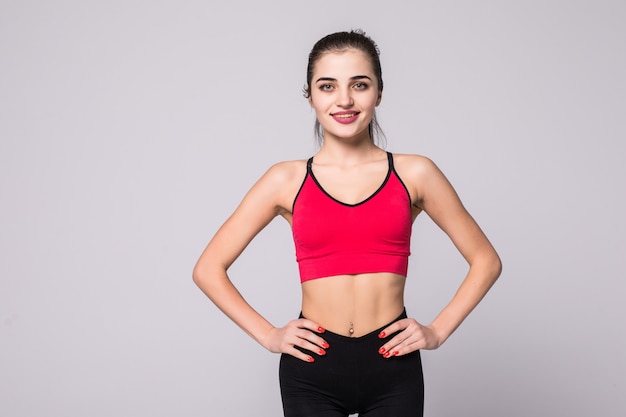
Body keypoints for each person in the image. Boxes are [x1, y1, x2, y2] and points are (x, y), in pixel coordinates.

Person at [193, 29, 502, 417]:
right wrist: (269, 335)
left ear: (379, 93)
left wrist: (437, 331)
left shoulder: (415, 173)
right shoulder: (285, 180)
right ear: (310, 96)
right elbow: (208, 269)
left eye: (359, 84)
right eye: (327, 86)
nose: (344, 100)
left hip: (392, 365)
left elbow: (486, 261)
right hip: (312, 369)